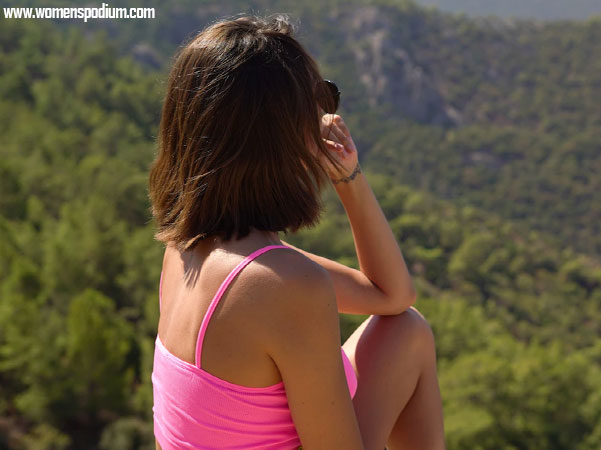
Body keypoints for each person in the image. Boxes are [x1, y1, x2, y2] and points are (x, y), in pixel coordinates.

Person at [147, 13, 446, 450]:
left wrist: (349, 175)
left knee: (405, 330)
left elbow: (391, 295)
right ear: (279, 136)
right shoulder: (281, 285)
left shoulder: (184, 249)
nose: (324, 117)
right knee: (409, 335)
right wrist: (349, 180)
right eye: (317, 103)